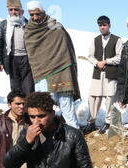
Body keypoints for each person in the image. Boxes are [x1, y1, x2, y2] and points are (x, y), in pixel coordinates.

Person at [25, 1, 81, 129]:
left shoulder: (55, 26)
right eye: (31, 14)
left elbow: (65, 48)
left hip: (61, 71)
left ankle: (75, 133)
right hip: (41, 73)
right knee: (43, 106)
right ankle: (47, 133)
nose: (34, 17)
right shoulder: (29, 29)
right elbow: (32, 52)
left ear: (43, 12)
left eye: (37, 14)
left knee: (66, 104)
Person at [84, 16, 123, 135]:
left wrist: (105, 62)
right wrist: (96, 63)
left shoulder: (117, 39)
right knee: (93, 97)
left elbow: (119, 57)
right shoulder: (95, 40)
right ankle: (91, 122)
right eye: (100, 25)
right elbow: (90, 56)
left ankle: (108, 122)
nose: (102, 27)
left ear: (109, 26)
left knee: (110, 98)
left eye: (104, 25)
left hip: (111, 74)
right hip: (97, 74)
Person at [0, 0, 35, 96]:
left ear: (21, 11)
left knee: (28, 86)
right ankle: (18, 109)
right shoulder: (3, 24)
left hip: (27, 59)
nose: (13, 12)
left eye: (16, 9)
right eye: (10, 9)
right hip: (11, 59)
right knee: (15, 88)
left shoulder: (28, 24)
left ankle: (29, 109)